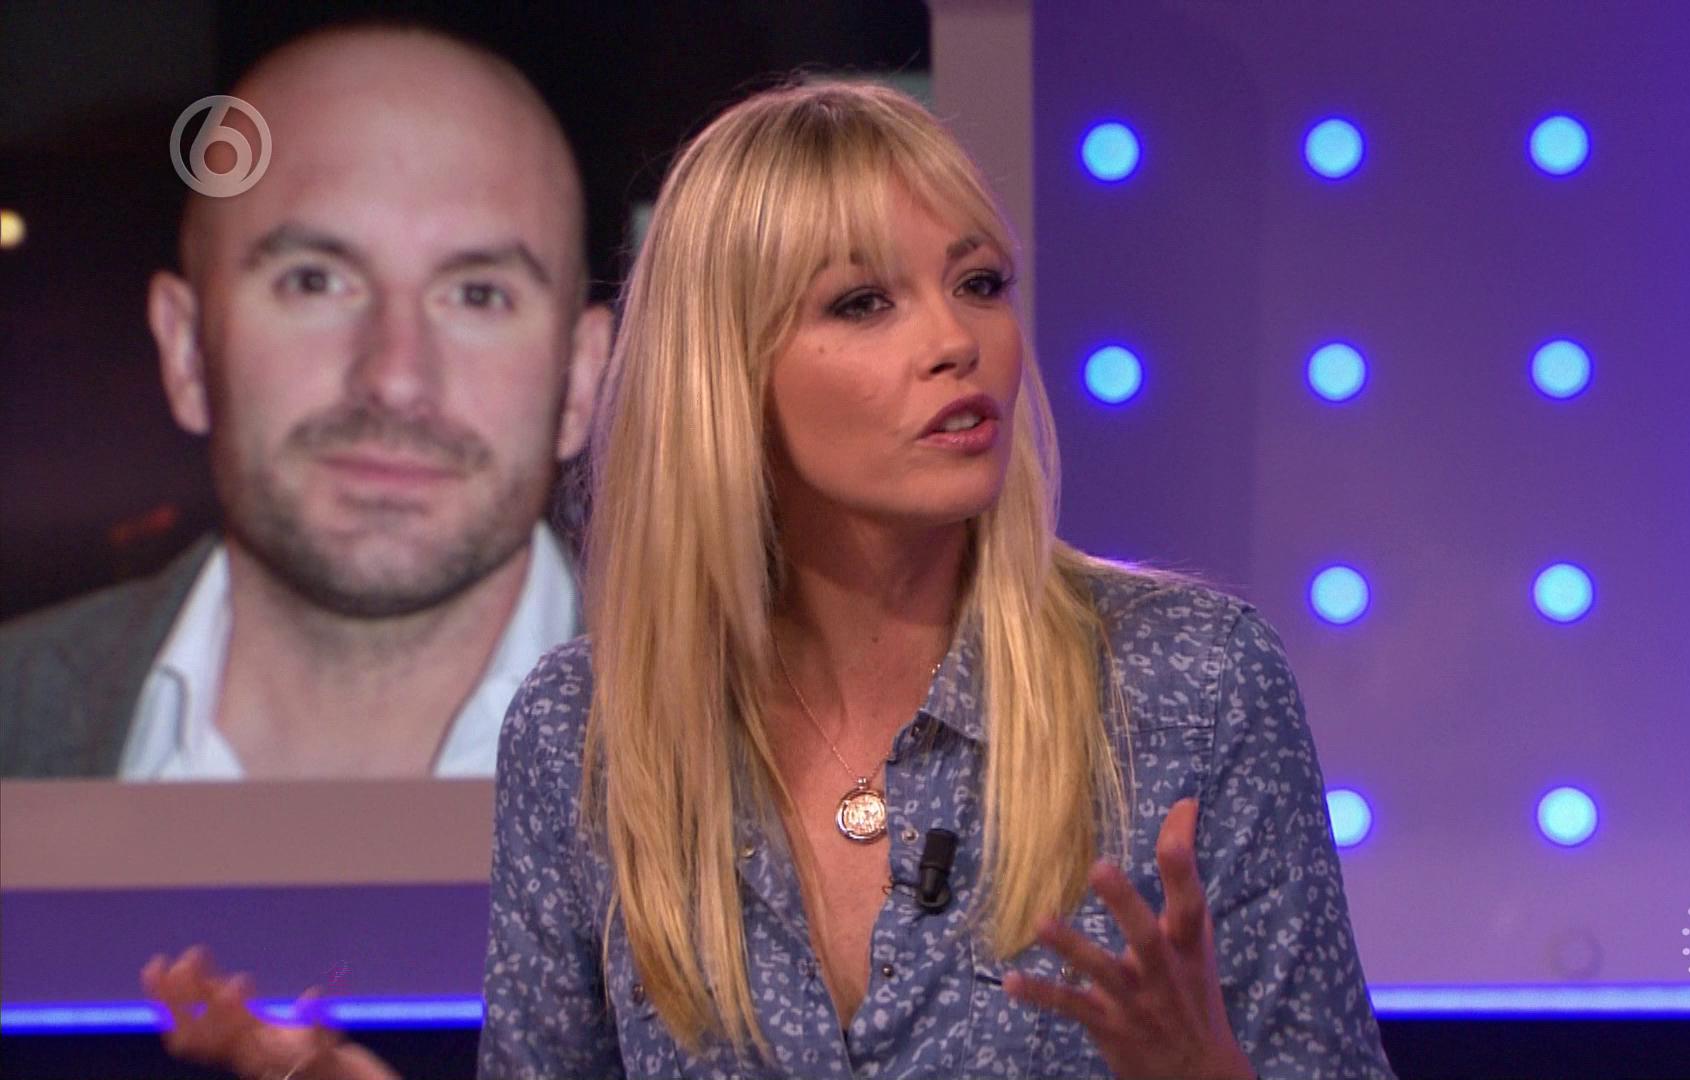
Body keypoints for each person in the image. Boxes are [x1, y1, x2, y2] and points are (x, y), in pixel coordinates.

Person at [144, 81, 1397, 1078]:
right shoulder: (585, 734)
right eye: (863, 302)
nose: (956, 341)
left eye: (979, 284)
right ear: (724, 375)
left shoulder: (1191, 681)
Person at [0, 24, 608, 780]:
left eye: (478, 295)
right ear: (186, 352)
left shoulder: (742, 759)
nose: (396, 379)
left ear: (581, 378)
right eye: (315, 282)